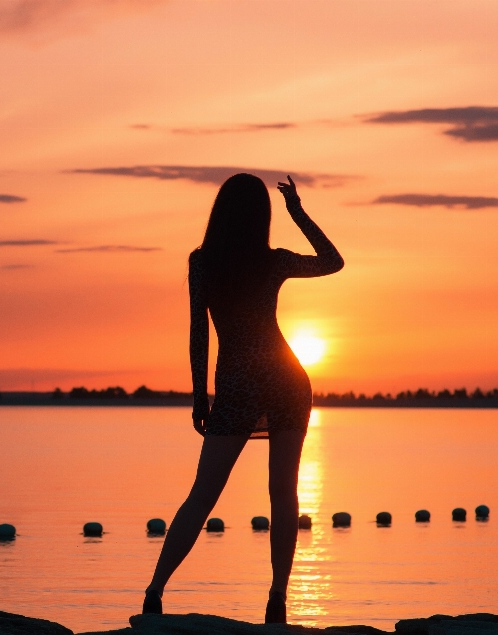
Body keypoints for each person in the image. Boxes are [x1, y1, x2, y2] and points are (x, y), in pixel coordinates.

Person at [142, 173, 344, 623]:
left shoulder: (203, 262)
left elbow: (199, 334)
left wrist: (200, 396)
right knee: (282, 495)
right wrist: (299, 213)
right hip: (285, 378)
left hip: (238, 381)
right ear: (262, 217)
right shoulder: (271, 261)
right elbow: (333, 261)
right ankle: (277, 598)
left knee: (203, 494)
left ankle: (155, 592)